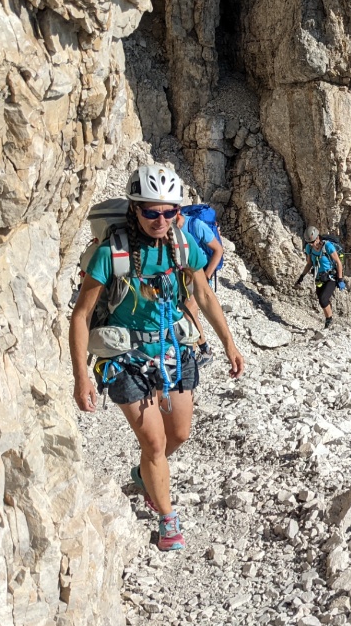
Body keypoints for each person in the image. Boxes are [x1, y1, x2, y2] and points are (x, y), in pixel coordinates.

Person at [70, 164, 245, 551]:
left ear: (177, 212)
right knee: (153, 441)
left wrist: (229, 342)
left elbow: (204, 295)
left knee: (178, 434)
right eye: (151, 211)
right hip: (123, 356)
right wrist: (81, 377)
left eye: (167, 212)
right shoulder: (110, 253)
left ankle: (145, 474)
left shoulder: (182, 245)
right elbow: (81, 315)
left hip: (170, 348)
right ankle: (168, 521)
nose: (159, 219)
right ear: (135, 209)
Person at [177, 209, 224, 364]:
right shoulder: (169, 229)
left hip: (200, 277)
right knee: (192, 314)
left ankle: (196, 352)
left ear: (177, 211)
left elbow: (218, 250)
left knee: (188, 312)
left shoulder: (195, 225)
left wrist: (207, 276)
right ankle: (201, 350)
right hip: (181, 277)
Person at [295, 226, 345, 328]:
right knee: (322, 299)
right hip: (320, 278)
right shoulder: (309, 248)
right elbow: (309, 264)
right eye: (309, 243)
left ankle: (329, 322)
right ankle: (329, 318)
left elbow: (338, 263)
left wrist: (340, 279)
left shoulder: (328, 246)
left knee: (323, 299)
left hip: (331, 277)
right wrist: (302, 276)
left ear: (318, 237)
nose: (312, 244)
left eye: (313, 242)